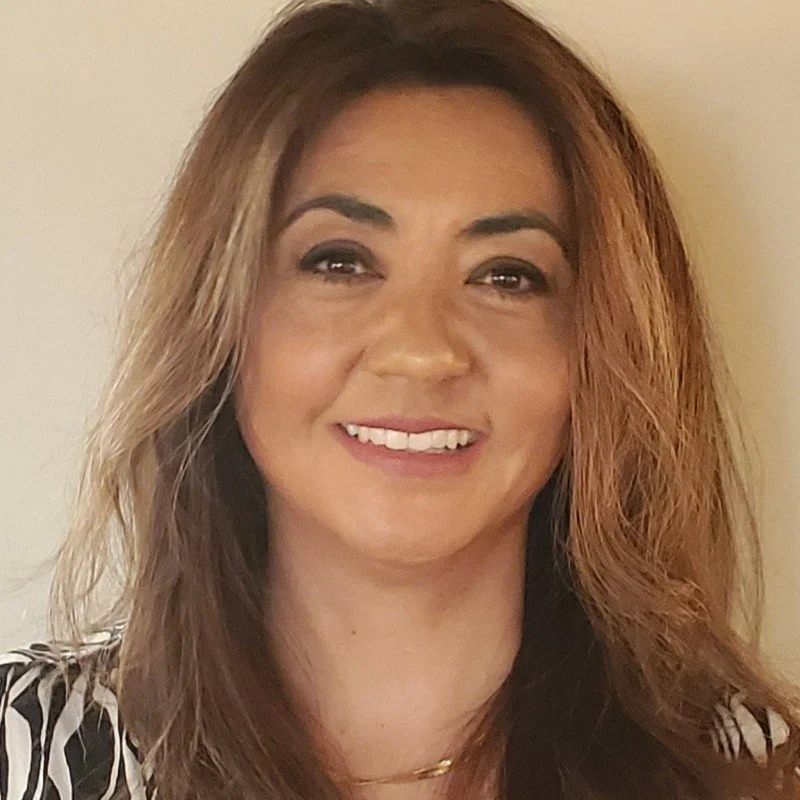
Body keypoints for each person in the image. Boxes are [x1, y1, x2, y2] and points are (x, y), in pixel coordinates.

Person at [1, 0, 798, 798]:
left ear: (600, 353)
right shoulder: (19, 747)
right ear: (220, 323)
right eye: (340, 261)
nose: (423, 350)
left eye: (507, 276)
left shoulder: (757, 775)